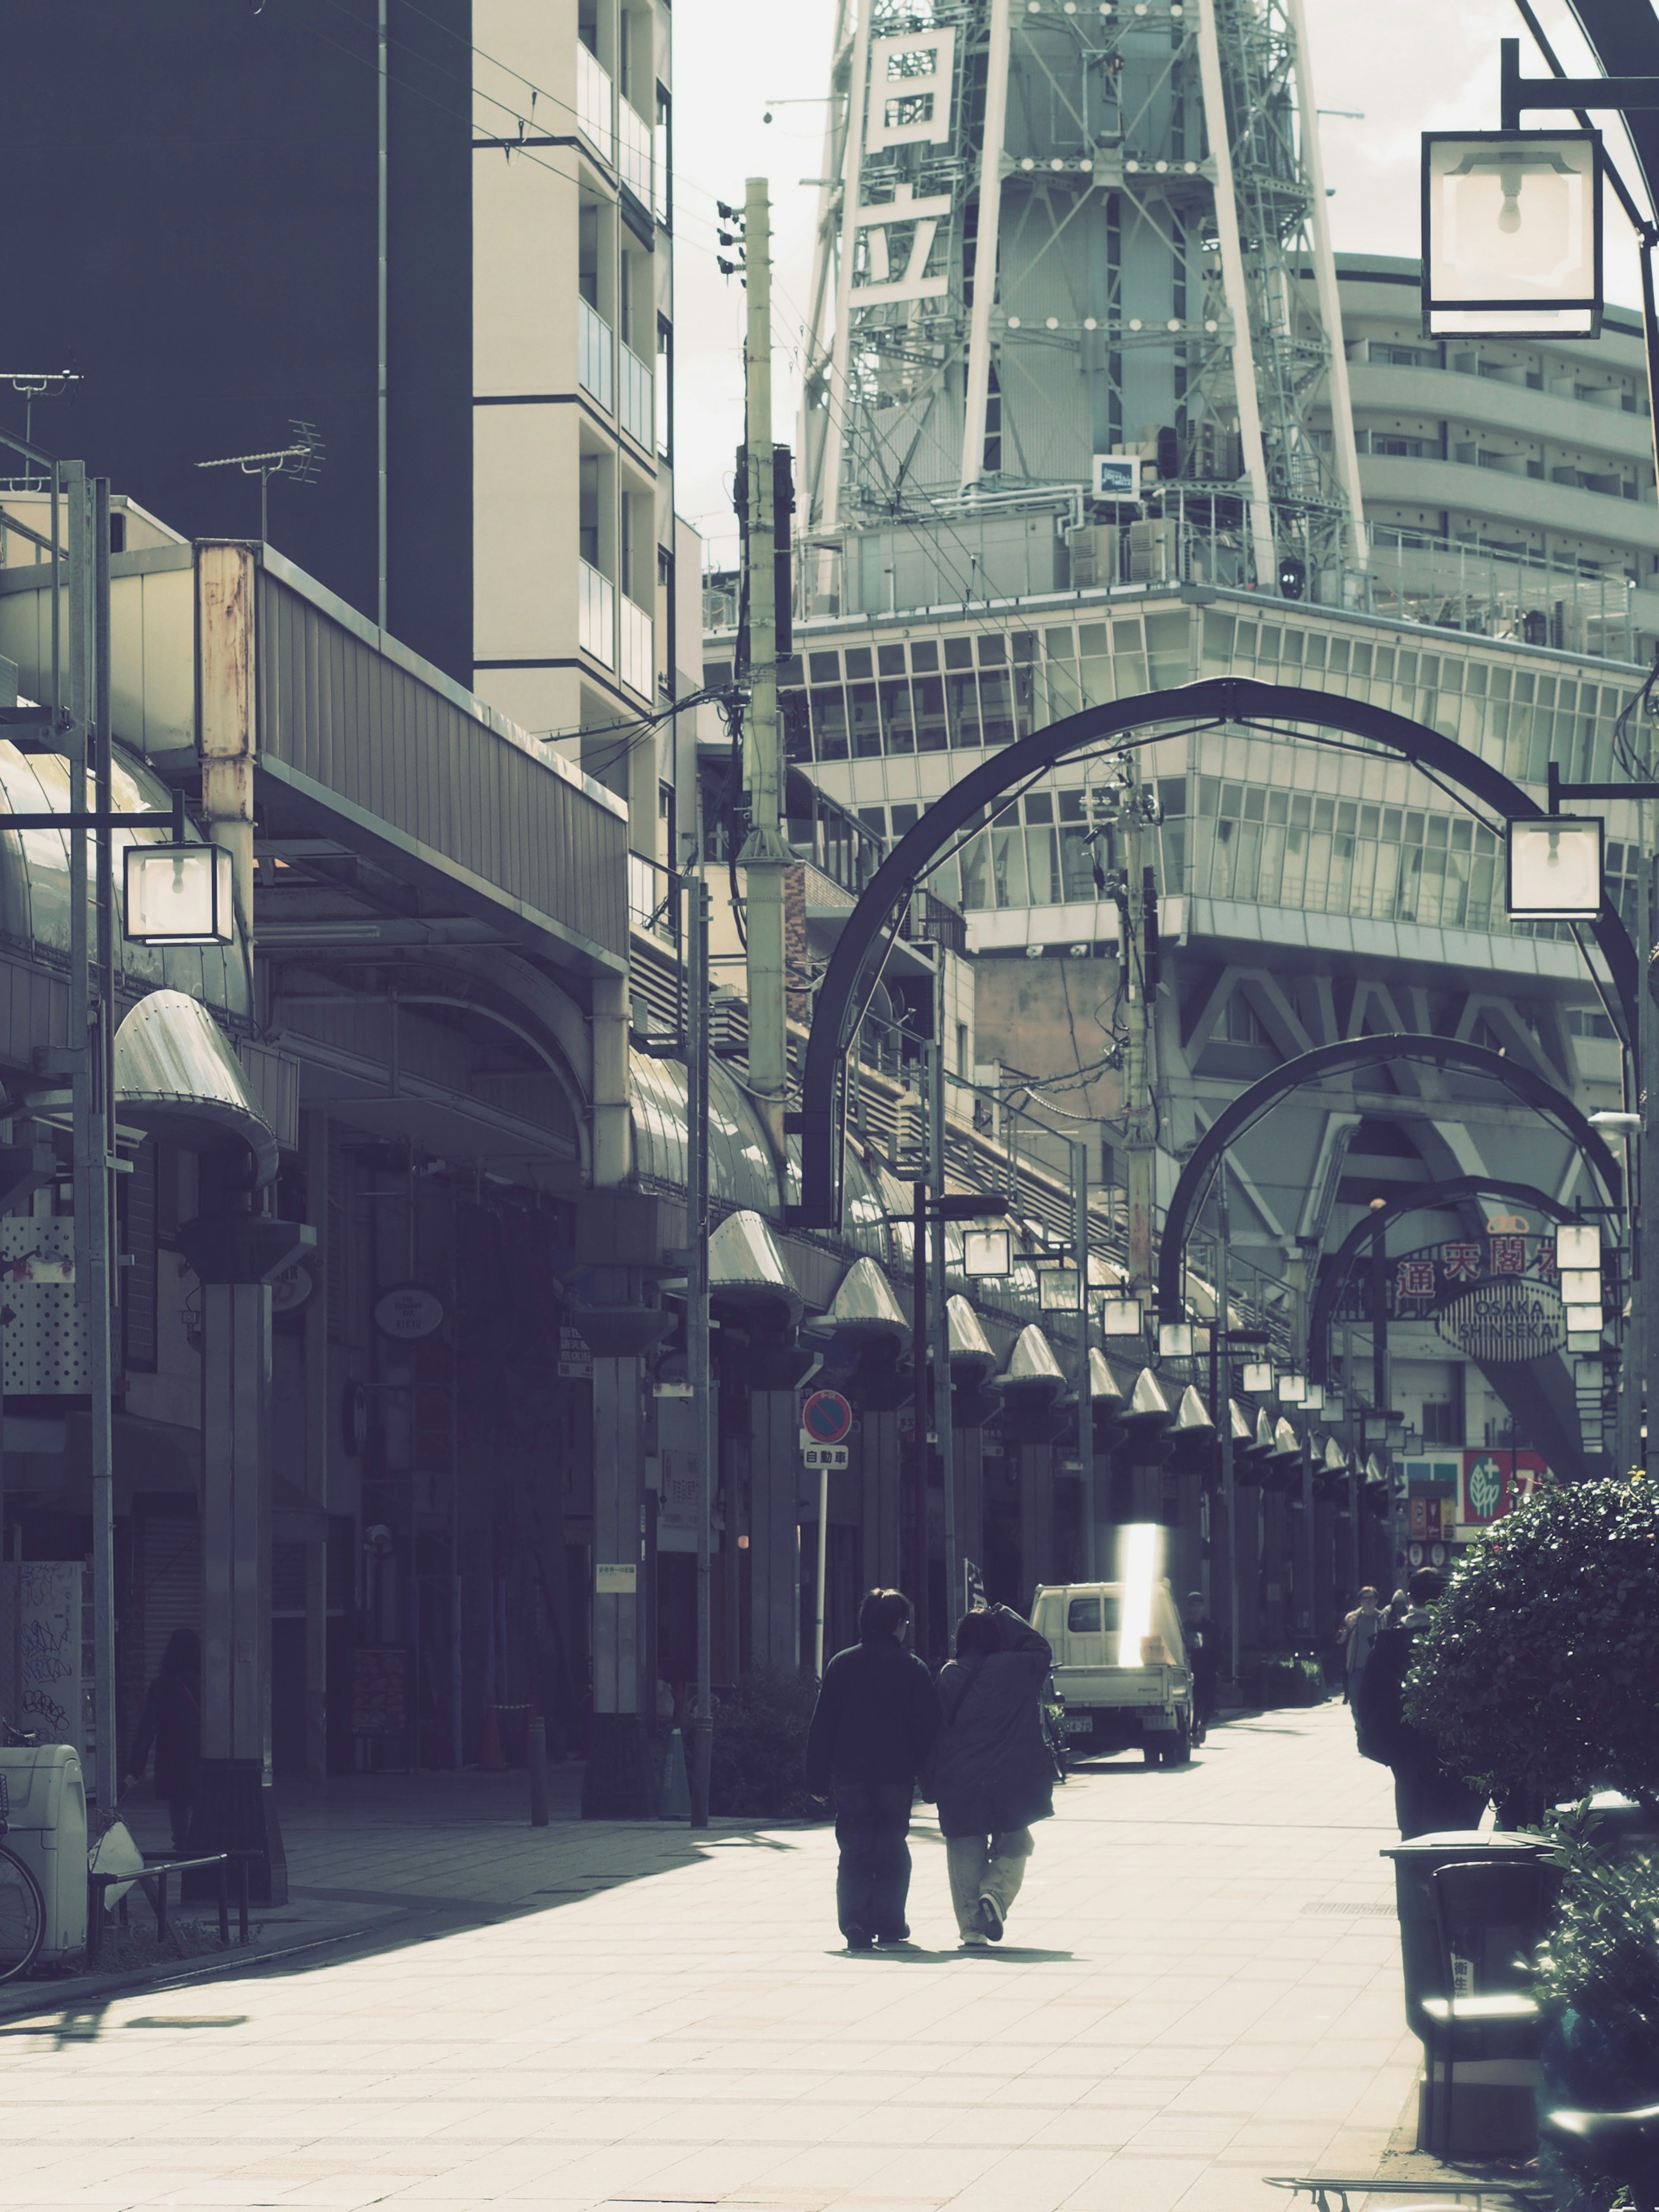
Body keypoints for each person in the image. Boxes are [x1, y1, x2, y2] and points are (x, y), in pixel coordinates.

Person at [805, 1589, 941, 1951]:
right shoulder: (912, 1668)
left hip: (849, 1775)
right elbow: (927, 1728)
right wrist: (930, 1778)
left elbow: (823, 1725)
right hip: (895, 1776)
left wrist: (816, 1777)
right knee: (892, 1846)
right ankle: (890, 1921)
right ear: (898, 1626)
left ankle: (854, 1922)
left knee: (854, 1847)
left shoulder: (841, 1664)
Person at [931, 1603, 1054, 1948]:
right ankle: (996, 1896)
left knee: (964, 1847)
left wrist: (929, 1779)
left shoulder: (949, 1674)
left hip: (960, 1777)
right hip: (1009, 1777)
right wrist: (1004, 1614)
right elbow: (1041, 1648)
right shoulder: (1017, 1668)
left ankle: (972, 1929)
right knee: (1017, 1841)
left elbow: (935, 1730)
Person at [1354, 1567, 1485, 1839]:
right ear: (1446, 1597)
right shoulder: (1464, 1641)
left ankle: (1413, 1880)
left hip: (1405, 1751)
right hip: (1454, 1752)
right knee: (1457, 1832)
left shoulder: (1388, 1642)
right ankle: (1451, 1881)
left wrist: (1381, 1745)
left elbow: (1365, 1700)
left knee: (1413, 1830)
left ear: (1410, 1598)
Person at [124, 1628, 202, 1850]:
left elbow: (147, 1727)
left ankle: (182, 1845)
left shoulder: (162, 1685)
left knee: (179, 1804)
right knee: (200, 1801)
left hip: (174, 1757)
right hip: (203, 1755)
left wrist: (135, 1766)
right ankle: (200, 1846)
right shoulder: (208, 1683)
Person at [1183, 1591, 1218, 1744]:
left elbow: (1218, 1647)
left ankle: (1203, 1725)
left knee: (1210, 1700)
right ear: (1189, 1608)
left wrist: (1219, 1667)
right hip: (1192, 1668)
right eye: (1193, 1606)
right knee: (1196, 1701)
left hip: (1209, 1667)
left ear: (1203, 1608)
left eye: (1199, 1606)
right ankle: (1194, 1731)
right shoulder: (1185, 1627)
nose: (1196, 1610)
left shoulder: (1210, 1626)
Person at [1340, 1586, 1382, 1709]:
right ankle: (1361, 1728)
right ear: (1360, 1601)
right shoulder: (1352, 1618)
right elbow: (1339, 1640)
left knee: (1374, 1703)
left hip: (1375, 1669)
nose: (1368, 1602)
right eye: (1365, 1599)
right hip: (1356, 1668)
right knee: (1355, 1703)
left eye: (1371, 1598)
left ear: (1376, 1601)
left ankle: (1370, 1728)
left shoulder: (1382, 1618)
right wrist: (1346, 1630)